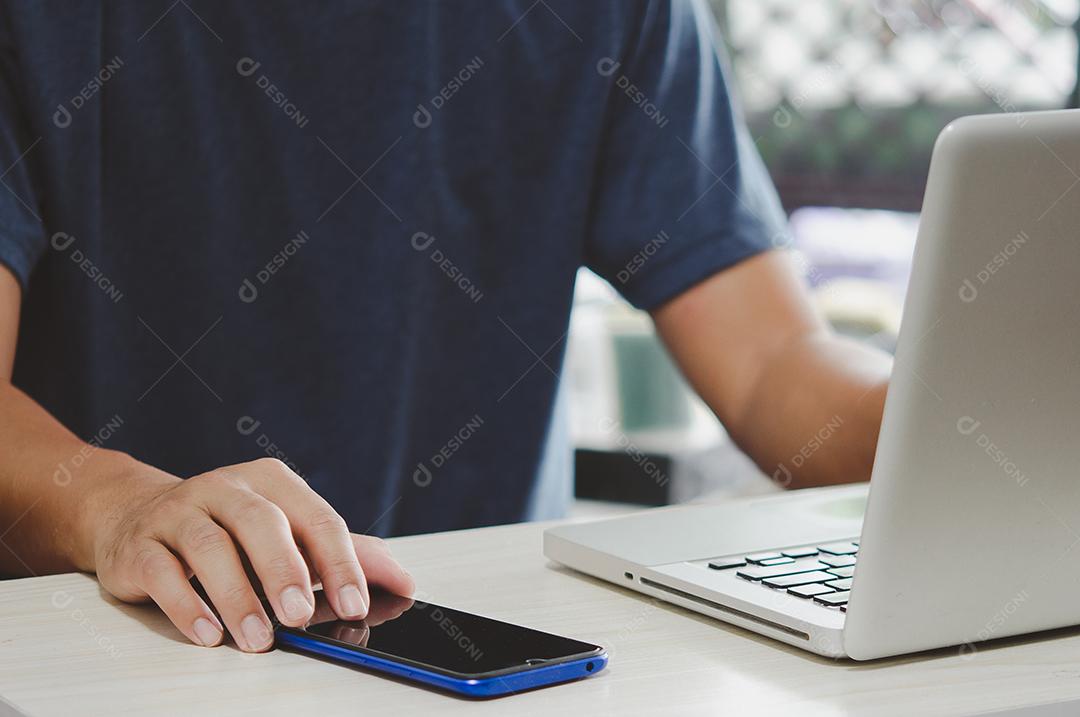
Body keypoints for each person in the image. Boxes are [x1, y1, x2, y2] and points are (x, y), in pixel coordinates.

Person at [0, 0, 891, 653]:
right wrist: (115, 506)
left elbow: (774, 363)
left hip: (492, 653)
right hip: (137, 649)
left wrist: (946, 412)